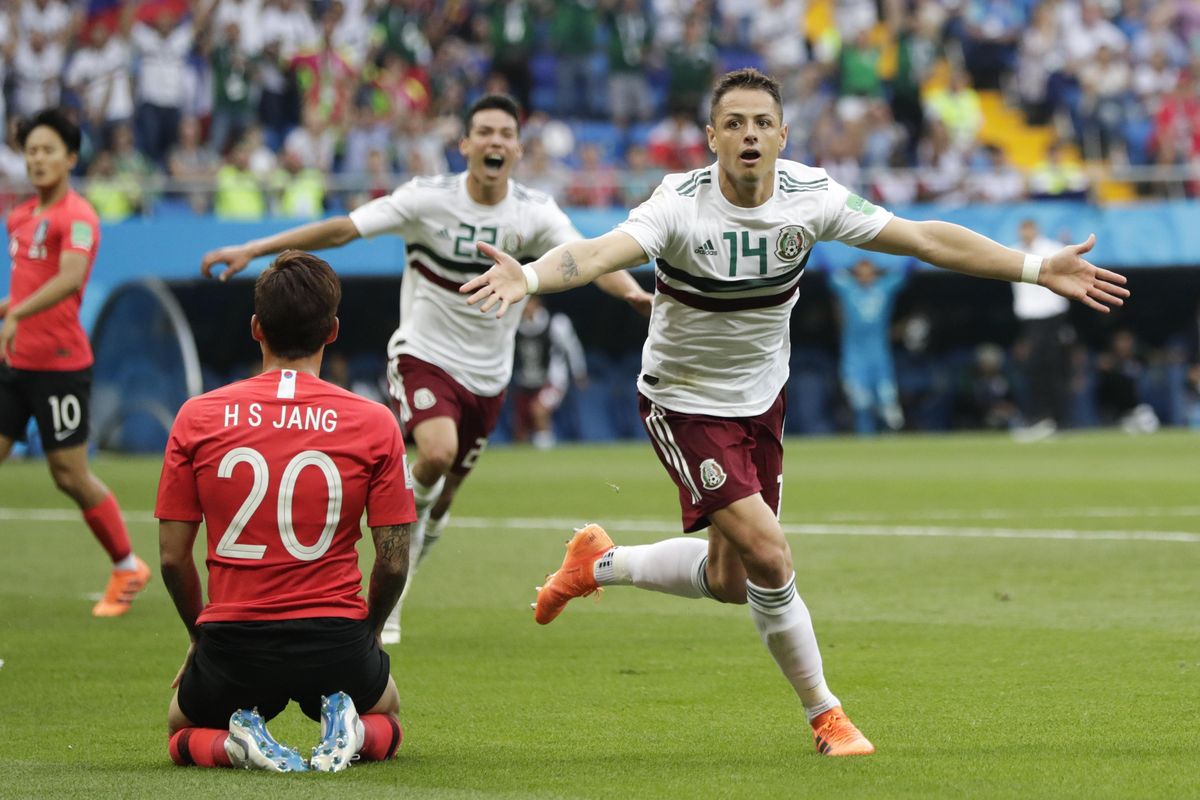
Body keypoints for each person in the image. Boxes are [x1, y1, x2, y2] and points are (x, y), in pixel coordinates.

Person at [462, 68, 1129, 757]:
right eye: (735, 123)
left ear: (783, 135)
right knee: (771, 556)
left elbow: (924, 238)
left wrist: (1034, 268)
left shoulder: (812, 196)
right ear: (712, 137)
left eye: (762, 123)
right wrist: (530, 275)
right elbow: (599, 251)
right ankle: (826, 716)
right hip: (684, 401)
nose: (749, 134)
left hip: (762, 401)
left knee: (730, 580)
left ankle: (598, 564)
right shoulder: (678, 204)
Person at [199, 94, 652, 644]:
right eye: (484, 132)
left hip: (489, 376)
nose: (494, 141)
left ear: (517, 148)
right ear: (464, 144)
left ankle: (405, 569)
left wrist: (632, 293)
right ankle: (389, 572)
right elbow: (344, 228)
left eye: (505, 134)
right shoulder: (426, 199)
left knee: (443, 498)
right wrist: (255, 247)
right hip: (424, 354)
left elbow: (586, 257)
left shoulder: (533, 211)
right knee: (435, 454)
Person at [156, 250, 414, 773]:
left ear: (256, 327)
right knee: (388, 712)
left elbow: (171, 557)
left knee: (180, 727)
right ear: (333, 331)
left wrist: (199, 637)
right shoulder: (375, 422)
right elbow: (393, 561)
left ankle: (234, 745)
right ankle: (353, 730)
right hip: (335, 636)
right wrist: (367, 634)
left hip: (234, 638)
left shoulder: (196, 417)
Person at [0, 108, 152, 617]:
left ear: (70, 158)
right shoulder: (19, 217)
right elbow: (32, 285)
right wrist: (8, 309)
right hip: (14, 363)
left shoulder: (79, 216)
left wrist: (16, 313)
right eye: (31, 151)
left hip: (60, 367)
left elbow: (69, 279)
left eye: (48, 150)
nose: (37, 159)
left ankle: (127, 565)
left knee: (69, 474)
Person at [1009, 219, 1073, 440]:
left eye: (1029, 229)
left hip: (1051, 317)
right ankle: (1044, 418)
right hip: (1030, 320)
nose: (1026, 233)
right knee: (1034, 368)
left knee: (1051, 368)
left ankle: (1055, 420)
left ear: (1036, 230)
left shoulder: (1052, 249)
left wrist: (1068, 243)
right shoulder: (1013, 252)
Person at [828, 258, 907, 434]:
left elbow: (907, 269)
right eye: (860, 272)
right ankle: (865, 438)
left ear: (874, 273)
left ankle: (891, 439)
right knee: (861, 402)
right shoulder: (848, 289)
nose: (865, 276)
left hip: (880, 356)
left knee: (888, 403)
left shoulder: (884, 288)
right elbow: (827, 267)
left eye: (868, 272)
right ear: (855, 274)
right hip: (854, 358)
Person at [511, 295, 587, 449]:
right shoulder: (514, 324)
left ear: (537, 303)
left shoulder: (556, 323)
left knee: (539, 410)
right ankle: (525, 458)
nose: (525, 307)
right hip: (525, 382)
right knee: (520, 427)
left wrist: (579, 371)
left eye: (527, 303)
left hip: (552, 380)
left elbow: (572, 348)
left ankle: (546, 448)